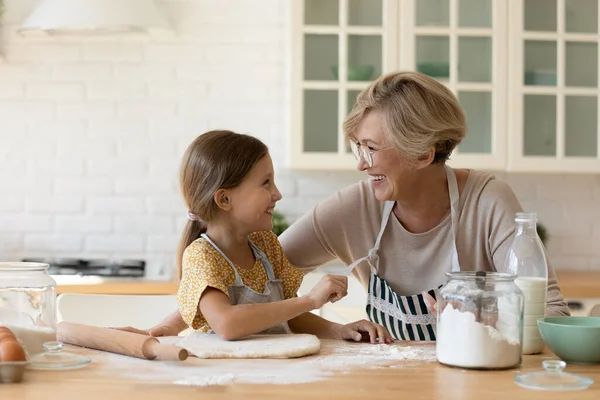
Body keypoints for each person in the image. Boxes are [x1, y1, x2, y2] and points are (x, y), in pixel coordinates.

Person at [127, 71, 570, 341]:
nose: (360, 164)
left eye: (371, 149)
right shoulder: (352, 210)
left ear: (423, 153)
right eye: (357, 147)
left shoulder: (489, 203)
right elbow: (248, 276)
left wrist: (480, 313)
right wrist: (168, 326)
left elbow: (553, 314)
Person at [120, 130, 392, 343]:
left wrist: (337, 330)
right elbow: (227, 324)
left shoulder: (265, 247)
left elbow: (285, 315)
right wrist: (311, 300)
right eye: (266, 183)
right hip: (225, 381)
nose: (277, 194)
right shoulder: (202, 256)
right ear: (224, 199)